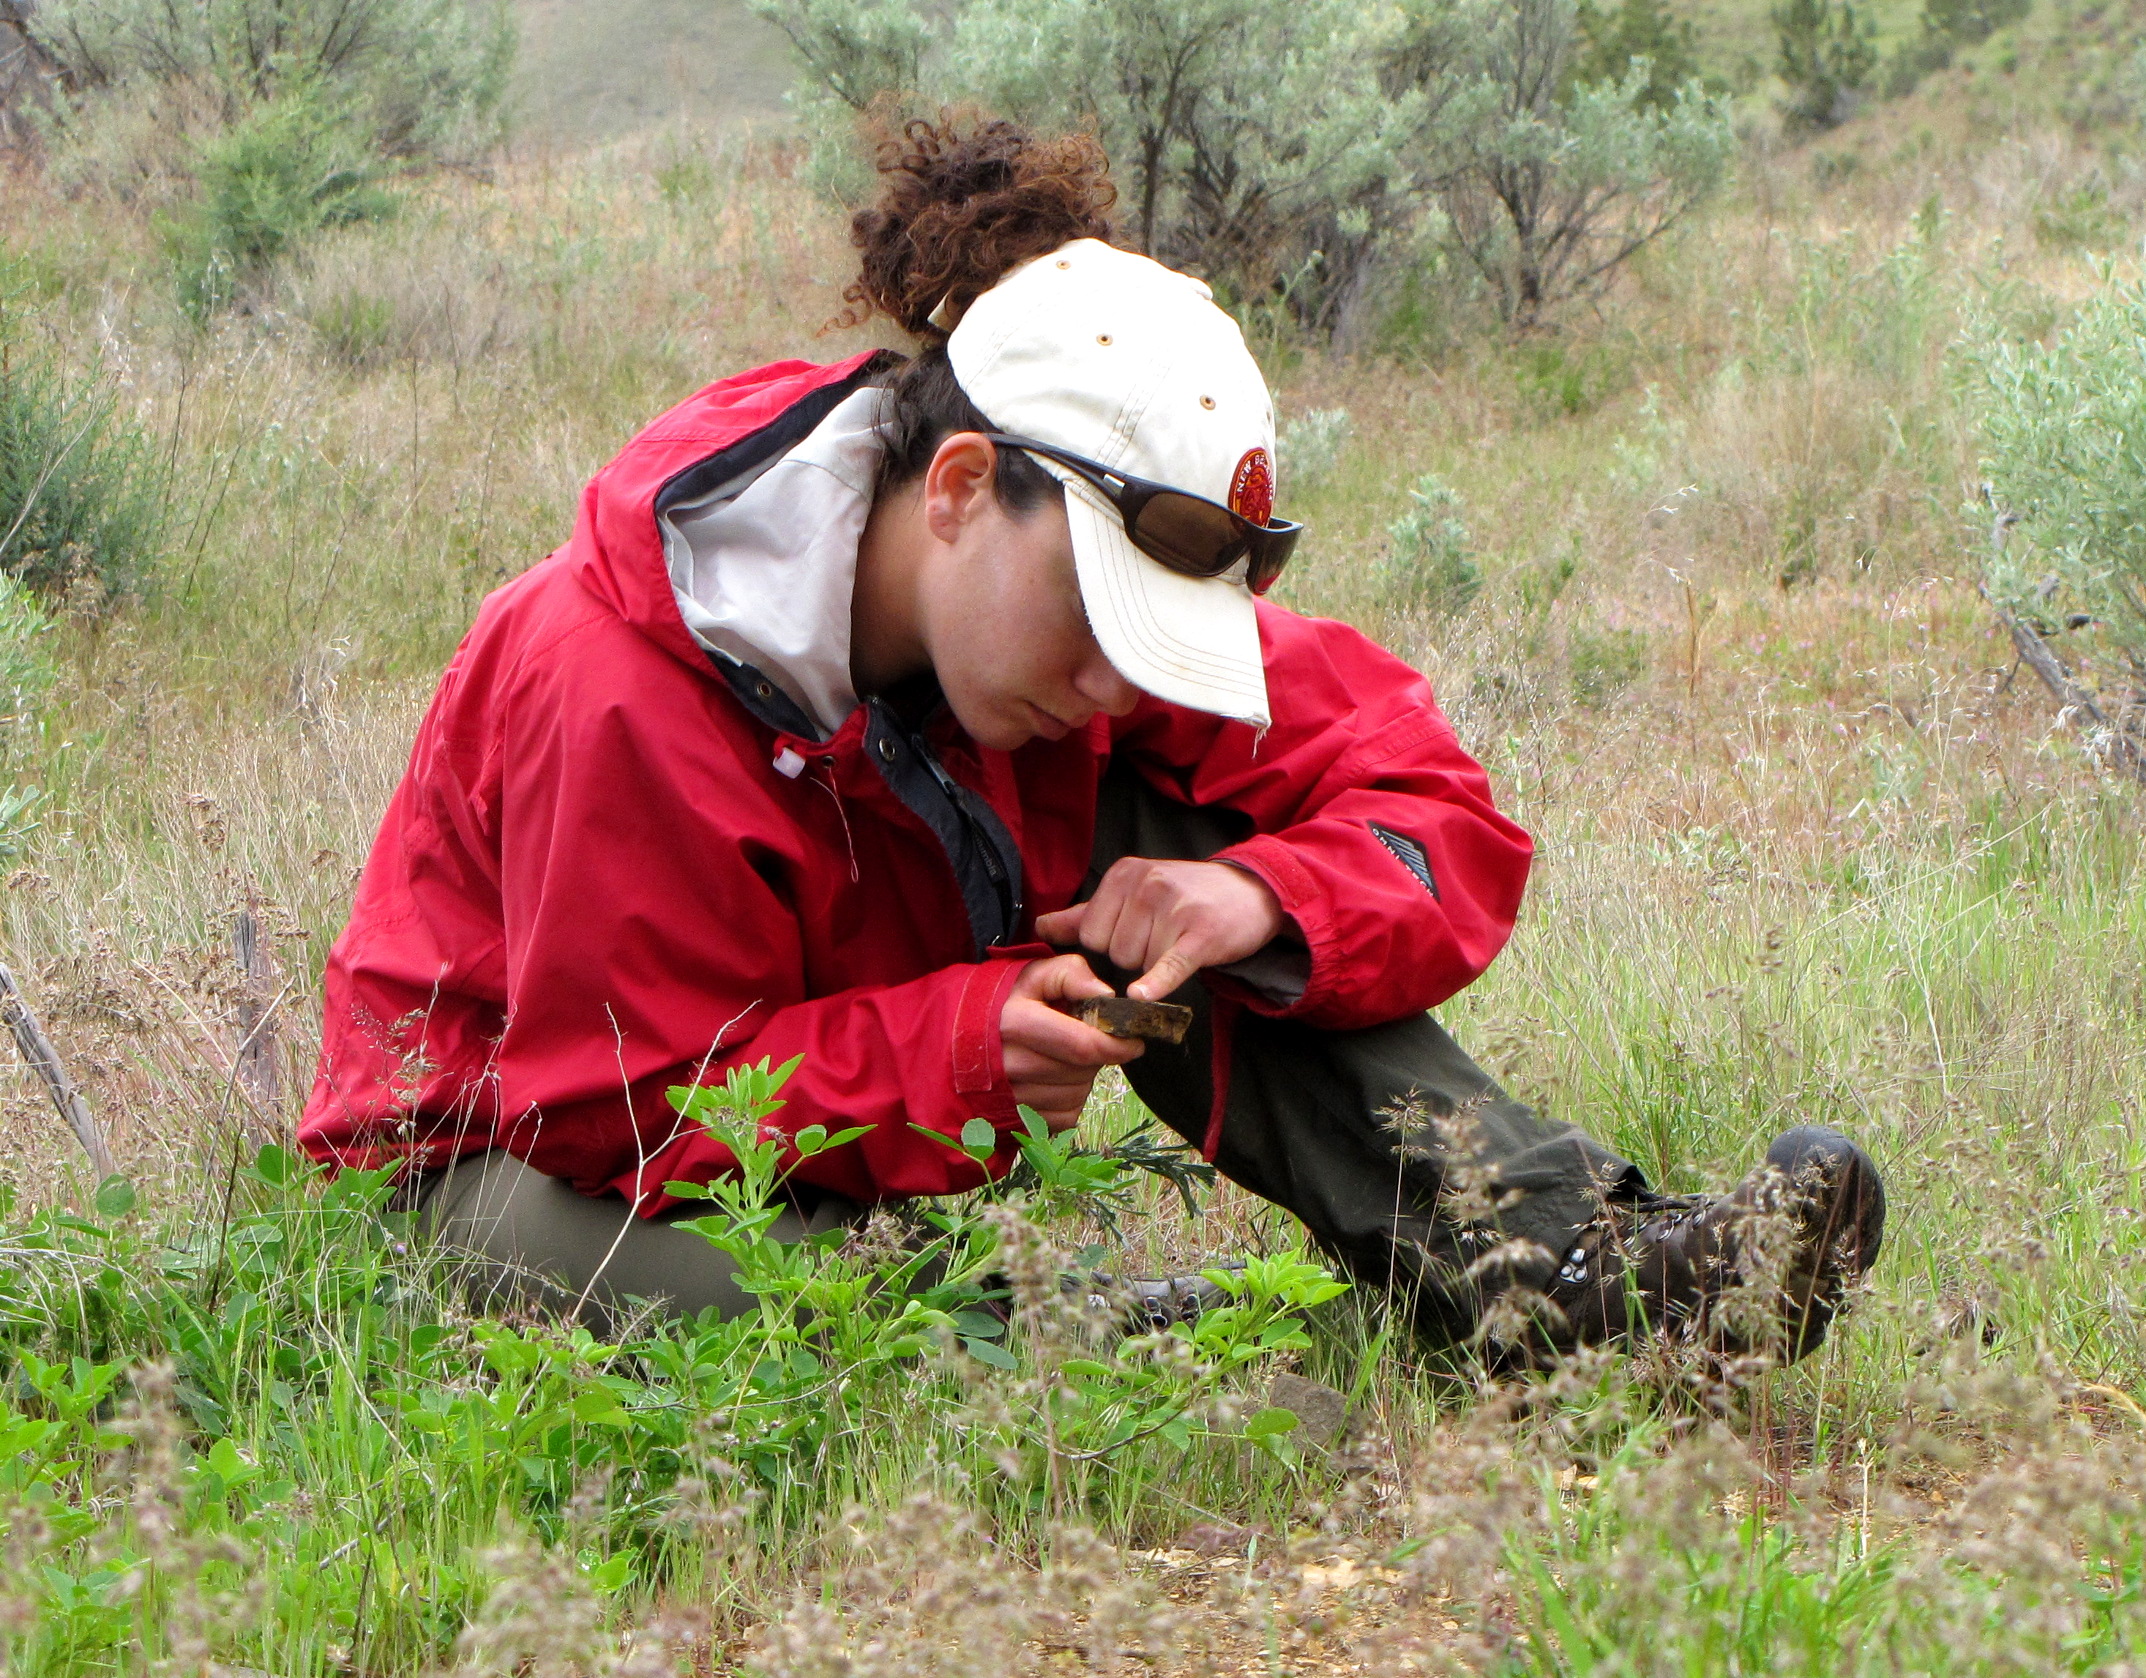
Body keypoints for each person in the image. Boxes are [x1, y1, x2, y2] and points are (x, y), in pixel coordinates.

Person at [299, 118, 1884, 1362]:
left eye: (1156, 639)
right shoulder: (621, 671)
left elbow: (1433, 807)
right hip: (509, 1176)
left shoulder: (1065, 619)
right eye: (1104, 627)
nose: (1122, 686)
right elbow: (617, 1102)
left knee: (1213, 865)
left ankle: (1550, 1281)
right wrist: (956, 1051)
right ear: (962, 486)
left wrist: (1263, 902)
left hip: (765, 1128)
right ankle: (1086, 1349)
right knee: (835, 1342)